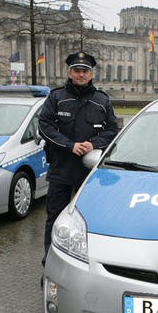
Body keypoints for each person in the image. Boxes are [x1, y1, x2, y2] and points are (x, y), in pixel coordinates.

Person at [38, 51, 118, 263]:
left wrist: (93, 144)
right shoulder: (56, 97)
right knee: (54, 219)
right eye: (77, 70)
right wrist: (69, 145)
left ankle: (87, 262)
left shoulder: (101, 101)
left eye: (85, 71)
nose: (81, 74)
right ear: (70, 73)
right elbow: (44, 126)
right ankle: (51, 262)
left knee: (89, 220)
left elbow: (112, 130)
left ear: (91, 74)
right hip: (61, 169)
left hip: (89, 172)